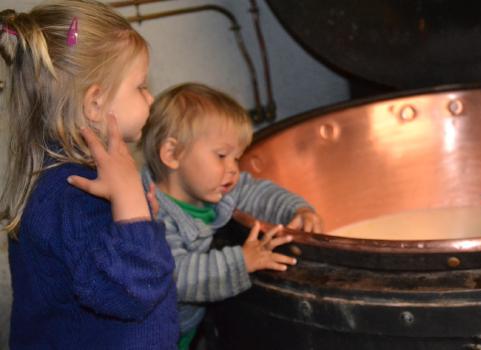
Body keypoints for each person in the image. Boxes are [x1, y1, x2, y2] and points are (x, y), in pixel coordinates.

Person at [0, 1, 178, 349]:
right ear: (94, 103)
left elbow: (90, 257)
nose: (151, 97)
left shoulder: (57, 177)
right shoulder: (79, 195)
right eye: (140, 86)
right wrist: (132, 210)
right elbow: (130, 293)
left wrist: (135, 221)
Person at [139, 82, 323, 349]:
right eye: (222, 155)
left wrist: (298, 210)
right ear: (171, 154)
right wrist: (242, 262)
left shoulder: (215, 187)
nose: (233, 169)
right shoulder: (149, 215)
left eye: (236, 158)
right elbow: (175, 278)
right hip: (146, 338)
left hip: (184, 330)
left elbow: (257, 192)